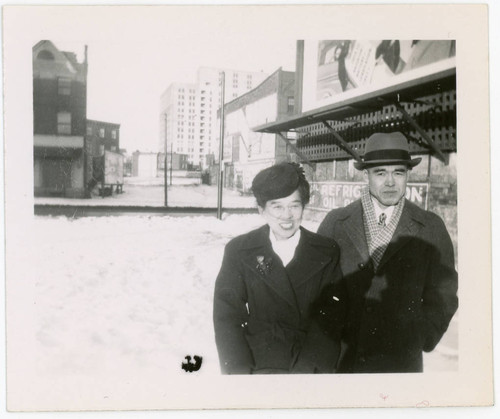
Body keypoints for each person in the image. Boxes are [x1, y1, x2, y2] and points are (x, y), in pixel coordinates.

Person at [317, 132, 458, 373]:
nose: (390, 182)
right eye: (380, 173)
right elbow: (318, 286)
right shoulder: (336, 223)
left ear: (407, 175)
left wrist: (421, 335)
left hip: (399, 364)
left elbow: (444, 292)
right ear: (366, 175)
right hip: (343, 362)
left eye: (398, 172)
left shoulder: (430, 227)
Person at [213, 162, 345, 374]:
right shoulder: (240, 250)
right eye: (277, 206)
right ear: (261, 210)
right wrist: (239, 373)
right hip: (258, 367)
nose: (287, 216)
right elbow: (227, 317)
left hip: (309, 368)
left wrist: (309, 371)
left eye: (294, 205)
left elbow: (330, 319)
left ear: (304, 206)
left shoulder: (326, 252)